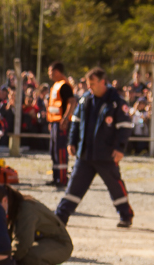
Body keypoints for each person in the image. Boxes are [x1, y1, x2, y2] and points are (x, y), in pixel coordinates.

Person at [56, 68, 135, 228]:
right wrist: (72, 142)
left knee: (115, 187)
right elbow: (76, 122)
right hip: (85, 155)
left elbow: (125, 127)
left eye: (92, 83)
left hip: (106, 155)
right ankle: (60, 217)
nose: (89, 87)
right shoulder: (85, 100)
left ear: (102, 82)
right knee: (73, 188)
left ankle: (126, 215)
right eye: (88, 84)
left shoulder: (116, 102)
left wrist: (120, 148)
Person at [45, 62, 75, 189]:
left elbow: (72, 102)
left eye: (51, 71)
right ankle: (56, 177)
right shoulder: (56, 85)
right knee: (54, 151)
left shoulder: (64, 85)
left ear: (57, 71)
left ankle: (62, 179)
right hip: (54, 123)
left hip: (61, 123)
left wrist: (65, 119)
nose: (49, 74)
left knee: (61, 151)